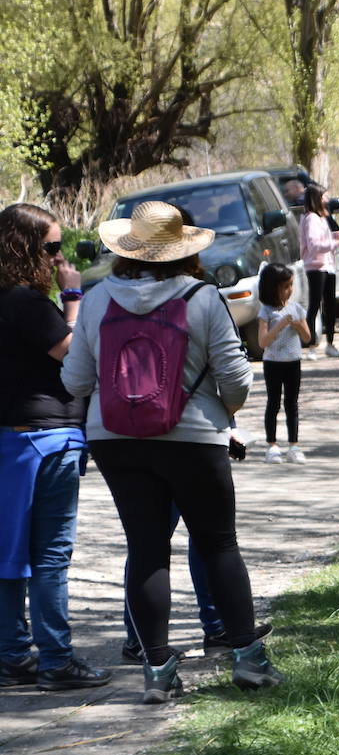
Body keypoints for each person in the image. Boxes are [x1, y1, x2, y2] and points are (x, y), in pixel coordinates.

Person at [61, 201, 281, 702]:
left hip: (116, 439)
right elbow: (237, 377)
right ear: (184, 250)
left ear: (128, 248)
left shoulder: (97, 301)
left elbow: (74, 381)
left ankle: (157, 671)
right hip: (193, 437)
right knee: (218, 544)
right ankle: (248, 660)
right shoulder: (202, 297)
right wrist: (222, 412)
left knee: (146, 548)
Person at [0, 204, 113, 691]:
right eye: (50, 247)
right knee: (49, 556)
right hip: (46, 441)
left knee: (8, 554)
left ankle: (10, 653)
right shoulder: (26, 302)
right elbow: (73, 351)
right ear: (23, 248)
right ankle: (55, 660)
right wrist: (73, 296)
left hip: (11, 440)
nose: (58, 256)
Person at [256, 263, 311, 464]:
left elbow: (307, 338)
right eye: (285, 286)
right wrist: (279, 325)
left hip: (293, 362)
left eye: (291, 286)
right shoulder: (266, 312)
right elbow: (263, 342)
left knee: (292, 404)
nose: (289, 291)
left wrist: (297, 325)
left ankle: (294, 445)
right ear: (272, 288)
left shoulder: (296, 309)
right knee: (273, 403)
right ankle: (272, 445)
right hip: (273, 363)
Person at [300, 183, 339, 360]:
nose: (327, 199)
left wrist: (338, 236)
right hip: (315, 267)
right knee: (314, 305)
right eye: (323, 196)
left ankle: (330, 344)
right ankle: (311, 346)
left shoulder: (320, 218)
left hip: (328, 266)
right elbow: (314, 246)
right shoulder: (310, 218)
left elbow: (323, 239)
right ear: (316, 198)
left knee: (330, 305)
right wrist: (337, 243)